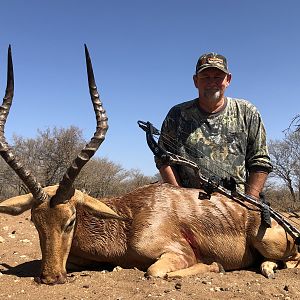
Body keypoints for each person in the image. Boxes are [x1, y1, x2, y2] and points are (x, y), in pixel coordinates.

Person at [155, 52, 273, 199]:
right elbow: (163, 158)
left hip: (237, 206)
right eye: (205, 77)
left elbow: (260, 160)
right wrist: (181, 199)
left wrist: (249, 203)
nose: (212, 82)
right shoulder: (177, 114)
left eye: (218, 77)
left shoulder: (247, 112)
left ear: (228, 80)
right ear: (195, 81)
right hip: (189, 207)